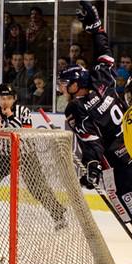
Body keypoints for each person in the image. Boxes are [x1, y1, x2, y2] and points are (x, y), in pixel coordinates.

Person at [59, 1, 132, 223]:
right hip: (130, 149)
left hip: (117, 163)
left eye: (64, 83)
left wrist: (93, 166)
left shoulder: (76, 108)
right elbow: (105, 53)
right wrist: (96, 28)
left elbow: (92, 141)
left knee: (125, 205)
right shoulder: (101, 77)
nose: (62, 87)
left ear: (75, 84)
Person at [0, 83, 66, 230]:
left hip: (25, 154)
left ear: (15, 99)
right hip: (3, 154)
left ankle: (59, 217)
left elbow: (21, 132)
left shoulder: (23, 111)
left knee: (38, 188)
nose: (5, 101)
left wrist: (10, 116)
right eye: (2, 98)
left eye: (8, 98)